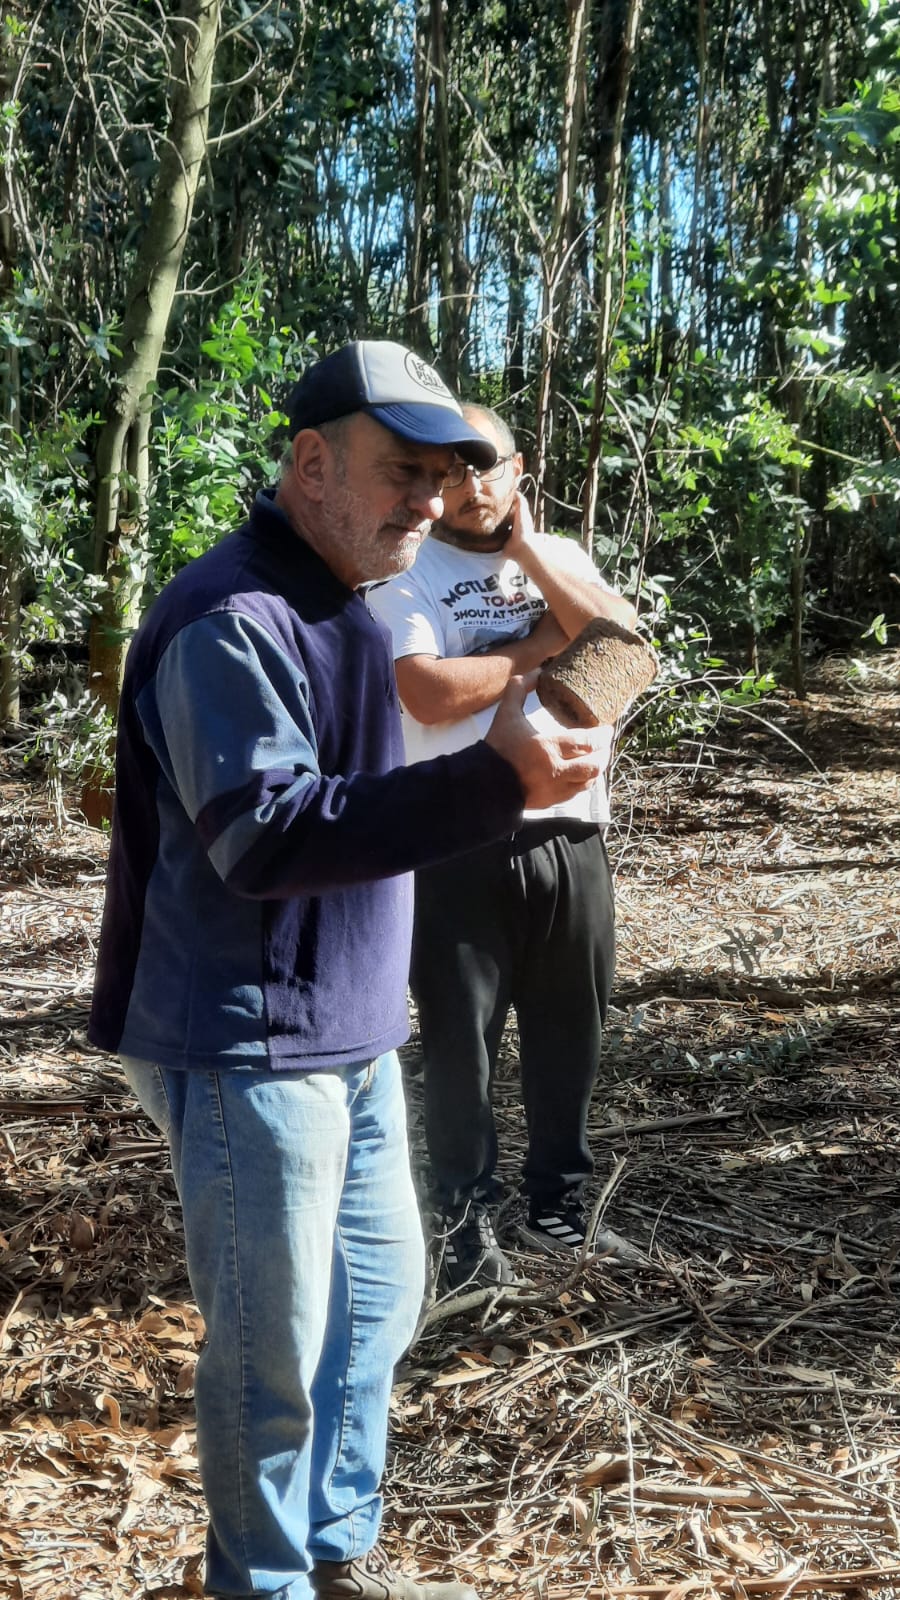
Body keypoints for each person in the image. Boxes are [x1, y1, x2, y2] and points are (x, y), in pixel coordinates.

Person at [88, 344, 605, 1600]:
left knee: (376, 1310)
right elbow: (267, 833)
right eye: (400, 473)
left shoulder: (350, 597)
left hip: (355, 1025)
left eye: (441, 478)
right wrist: (498, 786)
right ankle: (260, 1581)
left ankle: (334, 1549)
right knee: (274, 1352)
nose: (426, 503)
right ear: (311, 464)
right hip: (247, 1037)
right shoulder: (233, 617)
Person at [369, 404, 639, 1292]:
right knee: (461, 1044)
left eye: (488, 468)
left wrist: (530, 561)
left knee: (572, 1031)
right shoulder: (405, 568)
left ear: (520, 471)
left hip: (572, 835)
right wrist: (534, 648)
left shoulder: (559, 559)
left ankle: (561, 1209)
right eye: (451, 471)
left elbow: (626, 650)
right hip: (459, 839)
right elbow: (424, 692)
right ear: (434, 480)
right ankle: (465, 1224)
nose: (471, 487)